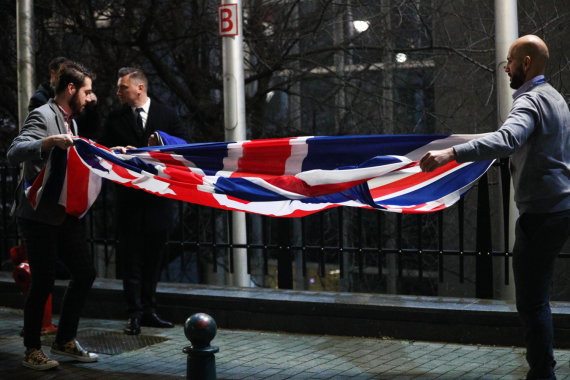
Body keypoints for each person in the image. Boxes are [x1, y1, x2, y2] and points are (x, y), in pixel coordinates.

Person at [419, 35, 569, 380]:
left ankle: (542, 374)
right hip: (560, 206)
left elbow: (507, 139)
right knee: (539, 297)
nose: (506, 68)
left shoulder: (530, 101)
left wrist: (450, 153)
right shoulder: (556, 99)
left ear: (526, 64)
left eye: (510, 61)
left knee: (532, 302)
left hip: (542, 213)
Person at [7, 61, 99, 370]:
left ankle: (64, 340)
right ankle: (32, 349)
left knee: (85, 273)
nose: (90, 98)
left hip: (63, 214)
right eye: (86, 91)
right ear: (70, 89)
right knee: (43, 281)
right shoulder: (44, 115)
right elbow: (14, 151)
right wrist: (47, 142)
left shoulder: (70, 120)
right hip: (37, 216)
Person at [99, 67, 190, 335]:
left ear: (140, 88)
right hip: (128, 201)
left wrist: (160, 144)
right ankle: (134, 313)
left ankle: (149, 310)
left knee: (153, 258)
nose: (118, 93)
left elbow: (184, 147)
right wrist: (115, 152)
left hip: (158, 201)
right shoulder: (115, 118)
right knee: (130, 260)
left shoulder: (167, 114)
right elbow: (103, 151)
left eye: (122, 88)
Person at [28, 57, 100, 140]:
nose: (89, 99)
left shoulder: (71, 121)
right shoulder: (41, 113)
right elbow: (18, 148)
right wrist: (50, 142)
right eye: (86, 93)